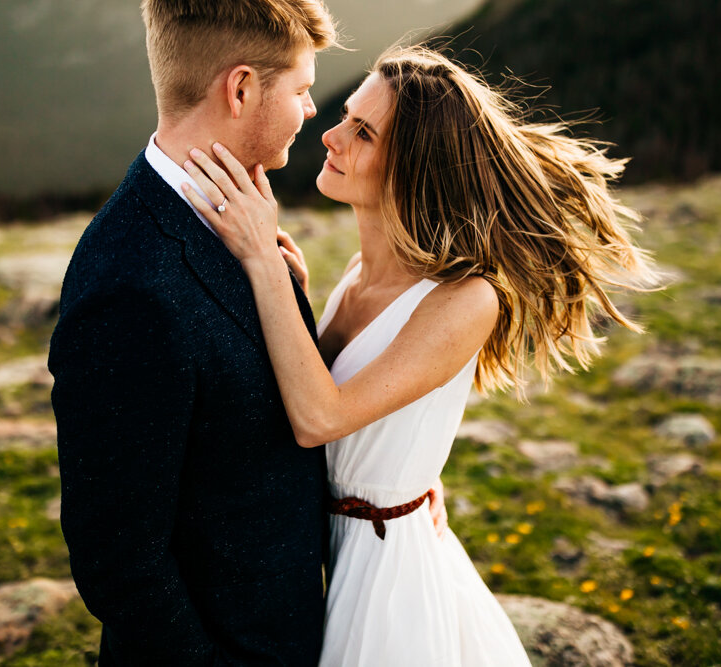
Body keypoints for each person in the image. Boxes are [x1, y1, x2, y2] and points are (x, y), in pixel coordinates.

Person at [181, 44, 659, 666]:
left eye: (362, 132)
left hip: (385, 571)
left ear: (414, 169)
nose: (330, 136)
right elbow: (337, 403)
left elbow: (320, 417)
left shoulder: (466, 299)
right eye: (345, 115)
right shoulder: (356, 273)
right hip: (317, 546)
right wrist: (291, 296)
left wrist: (261, 265)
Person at [48, 1, 347, 664]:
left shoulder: (242, 211)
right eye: (301, 90)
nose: (310, 111)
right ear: (240, 88)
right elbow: (119, 560)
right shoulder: (129, 283)